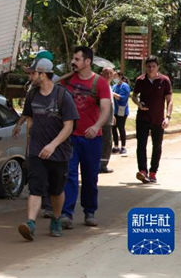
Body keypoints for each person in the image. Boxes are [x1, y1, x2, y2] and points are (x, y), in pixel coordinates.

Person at [13, 58, 78, 241]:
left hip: (59, 152)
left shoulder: (62, 96)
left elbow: (69, 126)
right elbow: (29, 116)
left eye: (33, 73)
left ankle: (56, 219)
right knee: (35, 188)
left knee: (56, 191)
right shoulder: (32, 95)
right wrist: (26, 136)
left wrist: (52, 145)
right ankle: (30, 223)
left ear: (43, 74)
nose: (31, 76)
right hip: (36, 151)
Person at [60, 46, 112, 228]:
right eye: (73, 59)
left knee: (90, 177)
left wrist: (96, 125)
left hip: (92, 138)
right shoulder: (66, 81)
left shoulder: (100, 83)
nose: (73, 62)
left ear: (87, 62)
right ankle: (66, 213)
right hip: (71, 137)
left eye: (77, 59)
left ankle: (90, 212)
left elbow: (105, 108)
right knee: (70, 175)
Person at [131, 56, 173, 184]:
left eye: (153, 66)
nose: (150, 69)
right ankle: (143, 171)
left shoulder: (164, 80)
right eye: (148, 66)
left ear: (157, 67)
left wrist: (167, 117)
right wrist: (138, 104)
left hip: (158, 120)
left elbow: (169, 100)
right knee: (141, 145)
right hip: (142, 118)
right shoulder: (140, 80)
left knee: (157, 146)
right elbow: (134, 96)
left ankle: (153, 172)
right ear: (145, 67)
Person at [99, 67, 115, 173]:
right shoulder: (101, 85)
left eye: (110, 73)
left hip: (108, 118)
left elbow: (110, 102)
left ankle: (102, 164)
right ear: (101, 74)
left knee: (107, 142)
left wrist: (112, 115)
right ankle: (102, 165)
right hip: (102, 119)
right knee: (106, 142)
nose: (108, 75)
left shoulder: (109, 86)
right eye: (106, 73)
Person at [111, 71, 131, 155]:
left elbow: (122, 98)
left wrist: (113, 94)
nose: (114, 78)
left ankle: (123, 147)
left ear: (120, 76)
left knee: (121, 127)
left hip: (122, 110)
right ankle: (116, 146)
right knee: (113, 128)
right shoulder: (114, 86)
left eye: (115, 76)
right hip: (114, 110)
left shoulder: (125, 86)